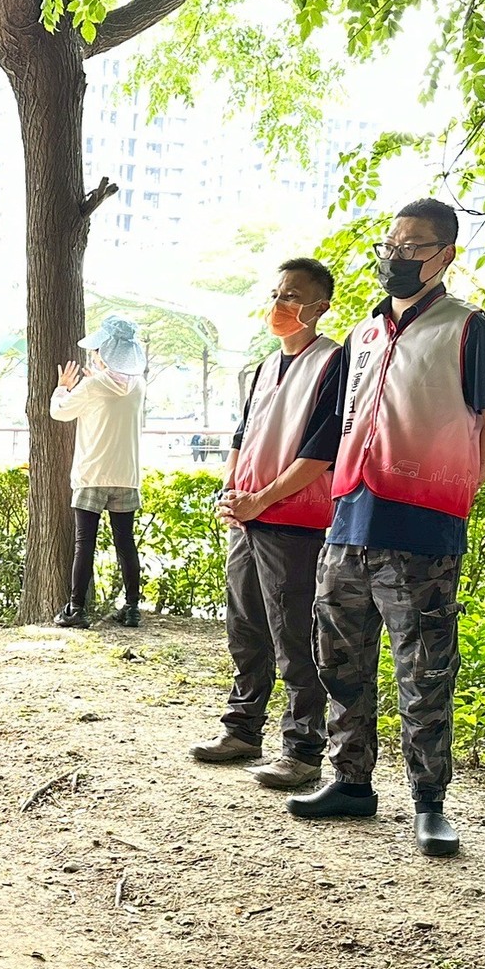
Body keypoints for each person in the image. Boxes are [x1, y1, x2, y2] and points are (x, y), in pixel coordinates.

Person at [289, 199, 485, 855]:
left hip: (422, 534)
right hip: (349, 523)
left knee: (424, 669)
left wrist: (450, 488)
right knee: (341, 658)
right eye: (393, 242)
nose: (398, 254)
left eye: (415, 245)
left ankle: (430, 802)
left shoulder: (469, 329)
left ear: (446, 254)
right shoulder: (363, 336)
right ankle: (350, 779)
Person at [192, 259, 346, 788]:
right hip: (249, 519)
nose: (280, 305)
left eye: (293, 296)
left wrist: (263, 499)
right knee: (245, 626)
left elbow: (321, 451)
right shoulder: (263, 367)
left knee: (295, 634)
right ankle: (242, 727)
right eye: (277, 294)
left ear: (320, 306)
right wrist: (234, 493)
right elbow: (243, 435)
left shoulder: (334, 363)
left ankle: (302, 749)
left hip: (295, 522)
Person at [51, 314, 147, 628]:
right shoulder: (138, 386)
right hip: (126, 475)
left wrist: (63, 388)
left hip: (92, 474)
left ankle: (76, 609)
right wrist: (97, 378)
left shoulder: (92, 386)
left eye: (96, 351)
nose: (93, 355)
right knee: (125, 543)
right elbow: (113, 390)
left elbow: (60, 413)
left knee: (84, 543)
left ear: (104, 353)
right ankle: (132, 608)